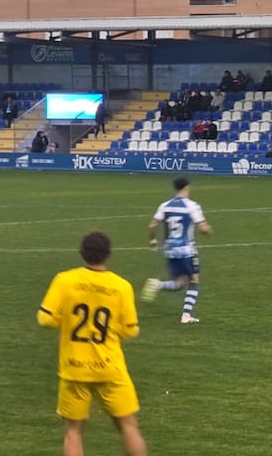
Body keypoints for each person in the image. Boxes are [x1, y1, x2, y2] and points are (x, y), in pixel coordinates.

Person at [37, 231, 148, 456]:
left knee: (74, 432)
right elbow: (130, 330)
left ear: (82, 253)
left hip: (74, 367)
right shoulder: (121, 286)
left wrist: (67, 320)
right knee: (127, 425)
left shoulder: (65, 280)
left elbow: (45, 318)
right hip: (109, 366)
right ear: (108, 254)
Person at [141, 177, 213, 324]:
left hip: (170, 250)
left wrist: (152, 240)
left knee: (180, 283)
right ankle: (186, 315)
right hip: (187, 250)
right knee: (194, 280)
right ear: (187, 188)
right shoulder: (192, 206)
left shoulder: (165, 206)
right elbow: (203, 228)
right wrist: (208, 231)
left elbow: (152, 225)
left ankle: (157, 284)